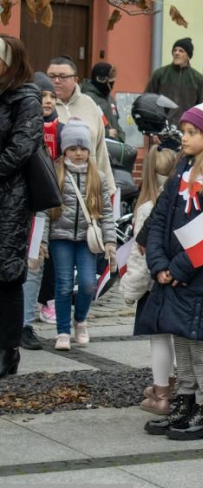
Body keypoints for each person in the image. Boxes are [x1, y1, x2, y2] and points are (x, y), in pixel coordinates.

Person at [140, 99, 203, 441]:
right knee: (181, 338)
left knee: (201, 342)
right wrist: (159, 265)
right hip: (173, 273)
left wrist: (179, 268)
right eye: (183, 131)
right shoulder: (181, 173)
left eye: (191, 132)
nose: (184, 137)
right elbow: (159, 220)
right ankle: (184, 403)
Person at [47, 119, 117, 351]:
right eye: (73, 148)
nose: (78, 153)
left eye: (83, 148)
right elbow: (46, 210)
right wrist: (42, 241)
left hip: (88, 239)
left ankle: (81, 319)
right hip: (60, 237)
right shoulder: (55, 174)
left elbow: (106, 212)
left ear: (89, 150)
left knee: (88, 284)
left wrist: (110, 241)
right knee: (64, 284)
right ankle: (63, 331)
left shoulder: (98, 178)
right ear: (65, 148)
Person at [120, 145, 177, 414]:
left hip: (154, 286)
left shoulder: (147, 209)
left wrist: (130, 290)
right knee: (173, 339)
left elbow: (139, 256)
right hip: (176, 281)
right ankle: (170, 385)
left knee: (159, 339)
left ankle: (161, 390)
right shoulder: (180, 202)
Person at [0, 35, 41, 379]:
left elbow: (22, 147)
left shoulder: (26, 97)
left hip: (11, 198)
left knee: (7, 273)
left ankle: (8, 350)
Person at [20, 72, 61, 352]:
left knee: (35, 261)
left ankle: (24, 324)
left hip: (40, 207)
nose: (46, 101)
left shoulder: (61, 128)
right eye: (41, 95)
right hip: (15, 201)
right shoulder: (19, 120)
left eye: (50, 97)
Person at [47, 56, 116, 195]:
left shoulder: (89, 104)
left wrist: (109, 189)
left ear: (75, 80)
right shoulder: (41, 107)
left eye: (63, 76)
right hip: (54, 188)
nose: (56, 81)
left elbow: (101, 149)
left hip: (89, 188)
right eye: (52, 76)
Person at [145, 38, 203, 125]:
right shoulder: (160, 74)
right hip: (161, 129)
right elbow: (147, 101)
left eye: (181, 51)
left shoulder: (198, 79)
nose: (176, 53)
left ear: (188, 56)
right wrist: (152, 129)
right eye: (175, 50)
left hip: (187, 130)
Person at [81, 62, 125, 143]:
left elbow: (116, 124)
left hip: (114, 147)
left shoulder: (110, 99)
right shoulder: (86, 98)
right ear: (101, 80)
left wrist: (121, 137)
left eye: (113, 82)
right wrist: (106, 133)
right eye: (110, 83)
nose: (112, 86)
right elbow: (83, 127)